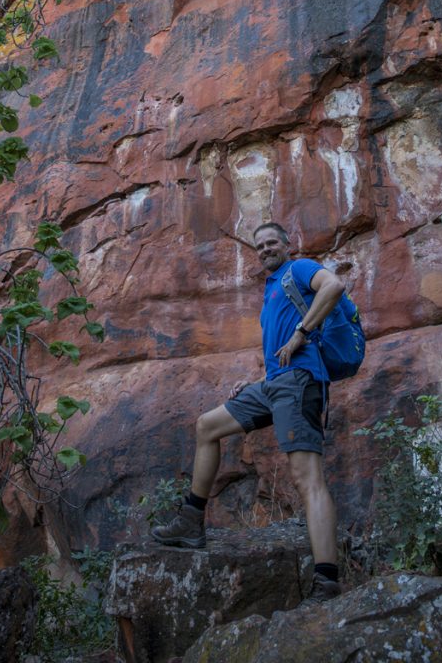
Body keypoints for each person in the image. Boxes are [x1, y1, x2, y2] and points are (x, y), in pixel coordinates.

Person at [151, 221, 346, 604]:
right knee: (207, 426)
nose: (265, 249)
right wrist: (254, 381)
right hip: (274, 384)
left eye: (272, 242)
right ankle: (192, 522)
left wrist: (300, 335)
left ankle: (327, 580)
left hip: (301, 381)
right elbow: (277, 351)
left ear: (288, 245)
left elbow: (335, 287)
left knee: (307, 477)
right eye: (259, 245)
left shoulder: (301, 268)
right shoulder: (273, 289)